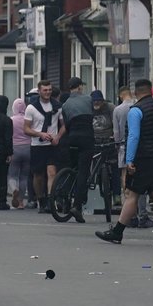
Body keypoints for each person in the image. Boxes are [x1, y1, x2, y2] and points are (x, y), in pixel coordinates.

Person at [96, 78, 153, 247]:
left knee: (132, 194)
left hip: (143, 157)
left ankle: (117, 232)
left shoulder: (136, 111)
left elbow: (133, 136)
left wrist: (129, 160)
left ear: (135, 93)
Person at [112, 85, 153, 228]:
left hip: (124, 146)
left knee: (126, 179)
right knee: (139, 182)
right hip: (141, 147)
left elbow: (117, 131)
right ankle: (141, 213)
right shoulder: (139, 107)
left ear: (120, 96)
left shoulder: (117, 110)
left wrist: (117, 145)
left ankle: (129, 214)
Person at [56, 77, 94, 223]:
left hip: (72, 138)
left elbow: (66, 123)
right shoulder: (88, 99)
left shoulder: (65, 105)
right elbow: (93, 116)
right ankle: (77, 206)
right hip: (86, 138)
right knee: (83, 172)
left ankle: (63, 195)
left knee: (72, 169)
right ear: (79, 87)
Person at [23, 80, 62, 212]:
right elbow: (26, 129)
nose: (48, 92)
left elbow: (63, 126)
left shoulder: (57, 106)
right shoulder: (31, 108)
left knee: (52, 172)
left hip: (52, 145)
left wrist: (58, 136)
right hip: (37, 145)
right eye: (45, 90)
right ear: (39, 91)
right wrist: (39, 134)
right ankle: (41, 199)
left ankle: (50, 200)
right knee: (38, 175)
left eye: (50, 90)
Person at [9, 98, 32, 209]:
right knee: (24, 176)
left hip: (15, 148)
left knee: (12, 174)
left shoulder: (11, 120)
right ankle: (21, 202)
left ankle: (14, 189)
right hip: (28, 148)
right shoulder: (28, 120)